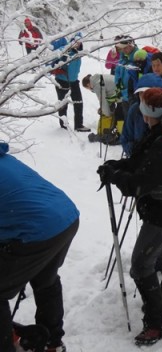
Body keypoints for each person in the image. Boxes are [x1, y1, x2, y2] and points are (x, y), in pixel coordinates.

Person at [97, 88, 162, 346]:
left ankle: (155, 325)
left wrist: (115, 176)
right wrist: (116, 166)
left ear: (148, 113)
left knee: (140, 266)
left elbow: (138, 184)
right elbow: (141, 164)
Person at [0, 142, 80, 352]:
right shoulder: (5, 160)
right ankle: (52, 342)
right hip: (65, 217)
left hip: (38, 228)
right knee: (46, 279)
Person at [51, 35, 89, 132]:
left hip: (74, 81)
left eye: (79, 42)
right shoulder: (64, 52)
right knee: (63, 104)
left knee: (78, 103)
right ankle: (63, 125)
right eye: (75, 42)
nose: (77, 44)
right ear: (71, 42)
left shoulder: (79, 53)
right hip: (62, 81)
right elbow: (53, 61)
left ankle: (79, 125)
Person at [81, 74, 123, 144]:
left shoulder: (97, 85)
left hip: (122, 96)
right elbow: (108, 93)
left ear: (88, 84)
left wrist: (106, 113)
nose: (90, 90)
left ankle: (115, 135)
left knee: (119, 116)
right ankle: (119, 134)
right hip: (122, 92)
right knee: (120, 114)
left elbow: (102, 101)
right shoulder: (98, 78)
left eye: (88, 88)